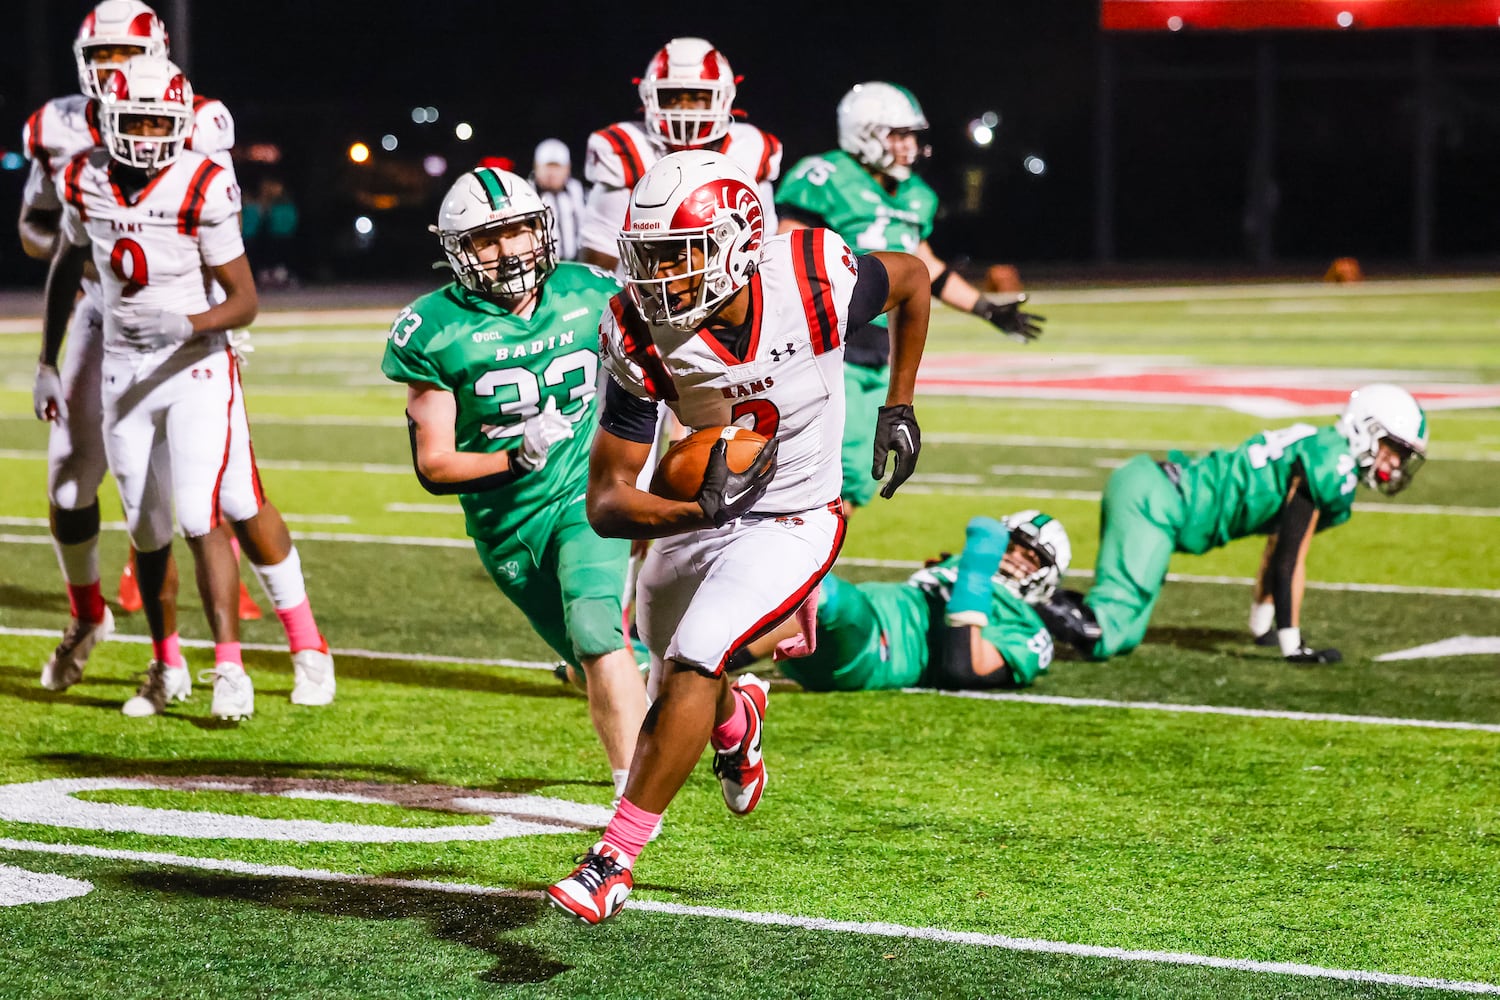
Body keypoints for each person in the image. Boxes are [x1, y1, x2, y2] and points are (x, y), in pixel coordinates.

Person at [546, 150, 931, 925]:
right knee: (670, 661)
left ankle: (612, 861)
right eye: (647, 257)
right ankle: (737, 724)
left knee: (697, 653)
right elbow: (607, 502)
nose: (656, 278)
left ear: (732, 243)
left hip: (798, 514)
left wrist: (899, 405)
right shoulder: (639, 329)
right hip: (706, 509)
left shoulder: (814, 277)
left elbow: (915, 280)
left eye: (675, 257)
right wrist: (694, 513)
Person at [44, 54, 334, 720]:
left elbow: (242, 292)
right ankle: (166, 662)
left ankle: (251, 662)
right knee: (146, 528)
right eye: (133, 120)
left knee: (213, 508)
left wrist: (190, 321)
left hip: (198, 358)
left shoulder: (203, 170)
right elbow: (66, 262)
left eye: (158, 121)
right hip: (124, 369)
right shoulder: (85, 177)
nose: (146, 135)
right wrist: (47, 358)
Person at [381, 167, 646, 803]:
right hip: (507, 523)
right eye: (489, 238)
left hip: (587, 498)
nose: (511, 249)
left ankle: (632, 809)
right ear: (457, 251)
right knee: (599, 660)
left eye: (522, 230)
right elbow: (436, 463)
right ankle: (725, 714)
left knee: (596, 631)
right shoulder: (435, 329)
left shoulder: (589, 293)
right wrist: (515, 462)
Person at [22, 0, 262, 696]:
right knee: (71, 483)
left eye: (122, 55)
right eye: (98, 58)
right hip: (101, 314)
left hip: (182, 322)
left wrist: (202, 319)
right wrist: (94, 239)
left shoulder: (198, 118)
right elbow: (43, 238)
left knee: (199, 500)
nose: (111, 70)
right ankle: (88, 618)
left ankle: (216, 658)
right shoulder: (59, 131)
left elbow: (221, 243)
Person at [775, 82, 1044, 512]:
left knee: (860, 476)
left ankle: (815, 566)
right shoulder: (823, 176)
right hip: (827, 343)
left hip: (883, 351)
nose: (909, 146)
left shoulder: (916, 196)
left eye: (911, 136)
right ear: (863, 132)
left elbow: (925, 266)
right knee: (821, 474)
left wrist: (985, 308)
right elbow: (785, 257)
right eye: (897, 134)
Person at [1038, 384, 1429, 664]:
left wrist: (1263, 629)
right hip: (1156, 503)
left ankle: (1038, 599)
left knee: (1123, 634)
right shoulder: (1332, 465)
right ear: (1368, 428)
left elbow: (1277, 546)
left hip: (1156, 496)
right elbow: (1290, 559)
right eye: (1395, 450)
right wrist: (1293, 646)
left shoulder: (1325, 447)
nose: (1395, 465)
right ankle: (1015, 597)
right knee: (1104, 631)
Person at [741, 511, 1068, 693]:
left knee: (815, 593)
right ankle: (703, 657)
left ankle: (703, 667)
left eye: (1031, 558)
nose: (1013, 559)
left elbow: (963, 670)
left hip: (873, 651)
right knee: (763, 569)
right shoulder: (961, 566)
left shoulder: (1027, 629)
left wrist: (975, 576)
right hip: (854, 620)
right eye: (1011, 547)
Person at [577, 37, 783, 273]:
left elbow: (763, 249)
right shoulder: (626, 151)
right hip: (647, 293)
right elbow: (599, 260)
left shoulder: (750, 149)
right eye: (672, 98)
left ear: (725, 98)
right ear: (649, 97)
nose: (683, 109)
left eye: (697, 98)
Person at [529, 139, 584, 262]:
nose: (552, 173)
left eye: (557, 167)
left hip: (575, 263)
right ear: (536, 166)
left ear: (567, 168)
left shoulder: (578, 191)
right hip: (541, 266)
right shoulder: (526, 193)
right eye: (547, 167)